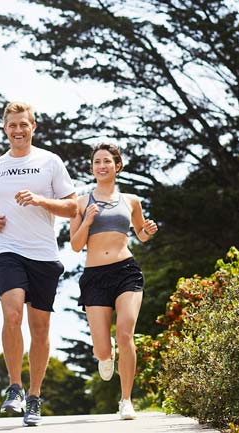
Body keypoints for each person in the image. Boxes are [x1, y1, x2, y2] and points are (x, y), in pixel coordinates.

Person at [0, 101, 78, 427]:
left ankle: (34, 396)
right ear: (5, 128)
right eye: (13, 125)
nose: (18, 130)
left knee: (40, 329)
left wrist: (39, 200)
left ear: (33, 126)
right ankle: (15, 387)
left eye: (24, 124)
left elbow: (72, 207)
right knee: (11, 312)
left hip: (44, 254)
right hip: (8, 249)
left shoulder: (50, 162)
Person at [69, 143, 158, 420]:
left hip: (126, 271)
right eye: (97, 162)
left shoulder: (131, 200)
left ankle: (126, 400)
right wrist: (87, 221)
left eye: (107, 161)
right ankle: (105, 357)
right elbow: (75, 245)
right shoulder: (81, 202)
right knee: (102, 347)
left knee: (125, 334)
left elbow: (140, 233)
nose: (102, 166)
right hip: (95, 276)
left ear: (117, 165)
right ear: (92, 167)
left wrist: (148, 232)